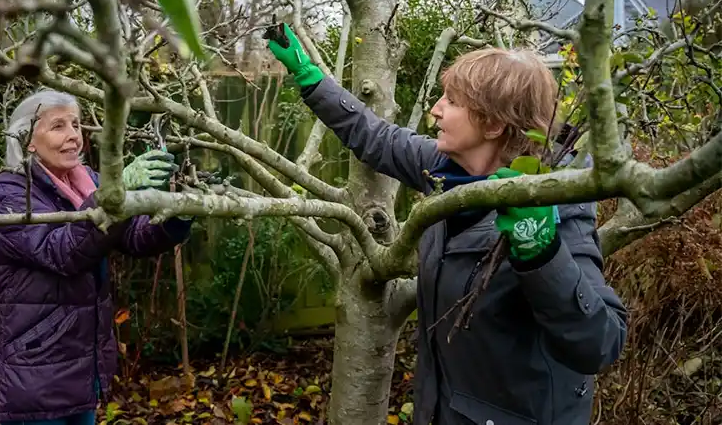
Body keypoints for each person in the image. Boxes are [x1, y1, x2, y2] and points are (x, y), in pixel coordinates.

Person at [266, 25, 627, 425]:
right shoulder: (447, 172)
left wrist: (541, 250)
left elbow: (600, 343)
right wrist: (311, 79)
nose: (435, 109)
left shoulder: (557, 206)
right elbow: (377, 138)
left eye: (451, 101)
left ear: (492, 125)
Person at [0, 89, 193, 425]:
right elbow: (62, 251)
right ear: (27, 140)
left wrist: (181, 211)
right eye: (58, 126)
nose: (73, 136)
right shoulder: (7, 193)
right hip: (35, 372)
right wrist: (116, 189)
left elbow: (134, 237)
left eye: (76, 125)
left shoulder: (87, 181)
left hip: (82, 366)